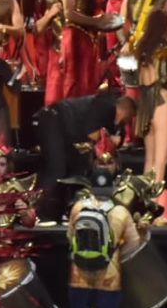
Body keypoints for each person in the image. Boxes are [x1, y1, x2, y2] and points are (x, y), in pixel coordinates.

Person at [65, 170, 141, 308]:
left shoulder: (78, 207)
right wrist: (115, 254)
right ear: (113, 189)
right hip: (110, 273)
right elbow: (134, 242)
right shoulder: (121, 212)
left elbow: (70, 235)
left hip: (79, 272)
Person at [33, 91, 137, 223]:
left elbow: (117, 139)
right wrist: (110, 138)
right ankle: (40, 213)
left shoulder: (114, 121)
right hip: (53, 120)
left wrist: (114, 139)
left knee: (75, 170)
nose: (127, 123)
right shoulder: (105, 106)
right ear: (124, 112)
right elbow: (92, 133)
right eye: (129, 118)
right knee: (56, 168)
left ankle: (61, 212)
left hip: (66, 133)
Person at [118, 0, 167, 183]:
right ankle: (151, 205)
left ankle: (149, 205)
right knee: (155, 160)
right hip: (151, 92)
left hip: (150, 91)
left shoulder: (161, 0)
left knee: (153, 160)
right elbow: (122, 32)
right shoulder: (129, 0)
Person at [45, 0, 106, 106]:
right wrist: (96, 22)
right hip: (73, 37)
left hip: (89, 37)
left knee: (88, 83)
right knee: (74, 82)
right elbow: (69, 14)